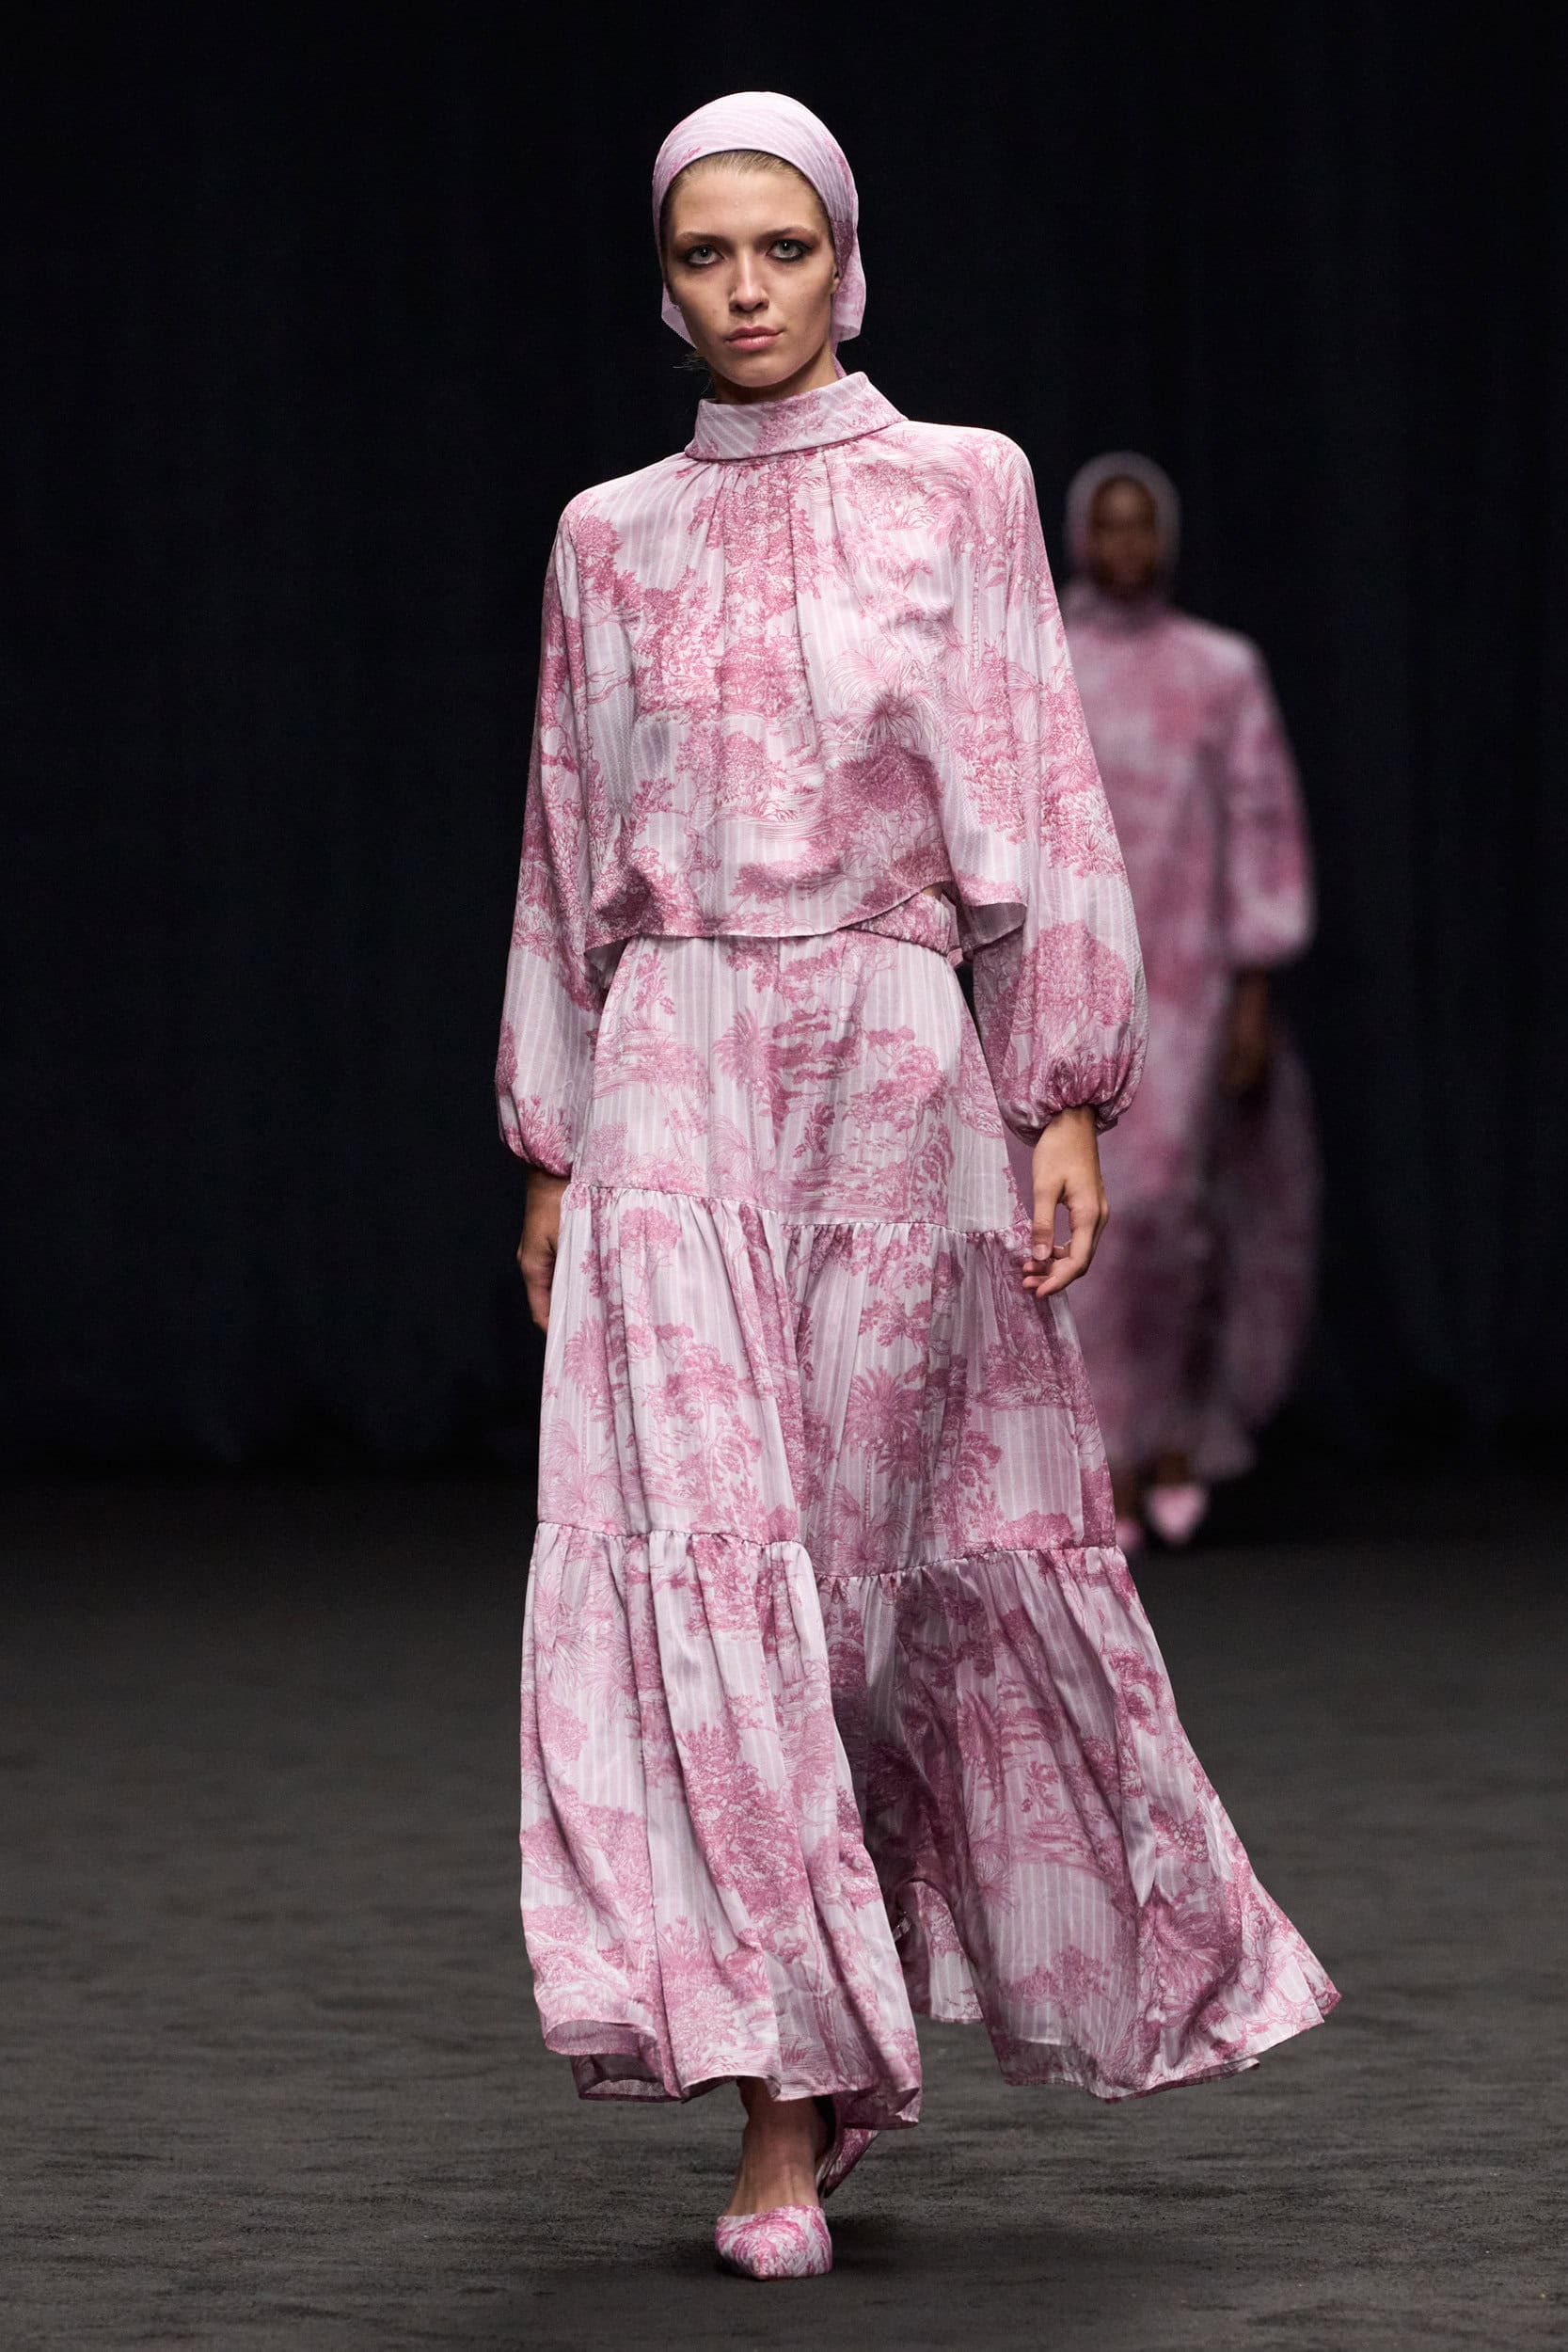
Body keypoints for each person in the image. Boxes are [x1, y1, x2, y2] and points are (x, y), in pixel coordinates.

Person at [498, 94, 1336, 2282]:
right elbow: (563, 843)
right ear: (661, 278)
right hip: (672, 1060)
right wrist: (552, 1135)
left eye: (781, 248)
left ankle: (839, 2028)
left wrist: (1058, 1090)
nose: (744, 289)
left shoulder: (959, 488)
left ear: (844, 260)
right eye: (705, 254)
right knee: (711, 1562)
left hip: (887, 1054)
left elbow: (1042, 789)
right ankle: (778, 2112)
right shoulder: (606, 537)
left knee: (859, 1595)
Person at [1060, 456, 1319, 1554]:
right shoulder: (1046, 656)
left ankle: (1172, 1431)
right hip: (1074, 971)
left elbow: (1260, 819)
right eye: (1107, 527)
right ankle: (1097, 1454)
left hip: (1188, 976)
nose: (1125, 546)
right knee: (1079, 1216)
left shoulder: (1219, 669)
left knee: (1171, 1209)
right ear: (1080, 537)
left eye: (1141, 527)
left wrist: (1252, 983)